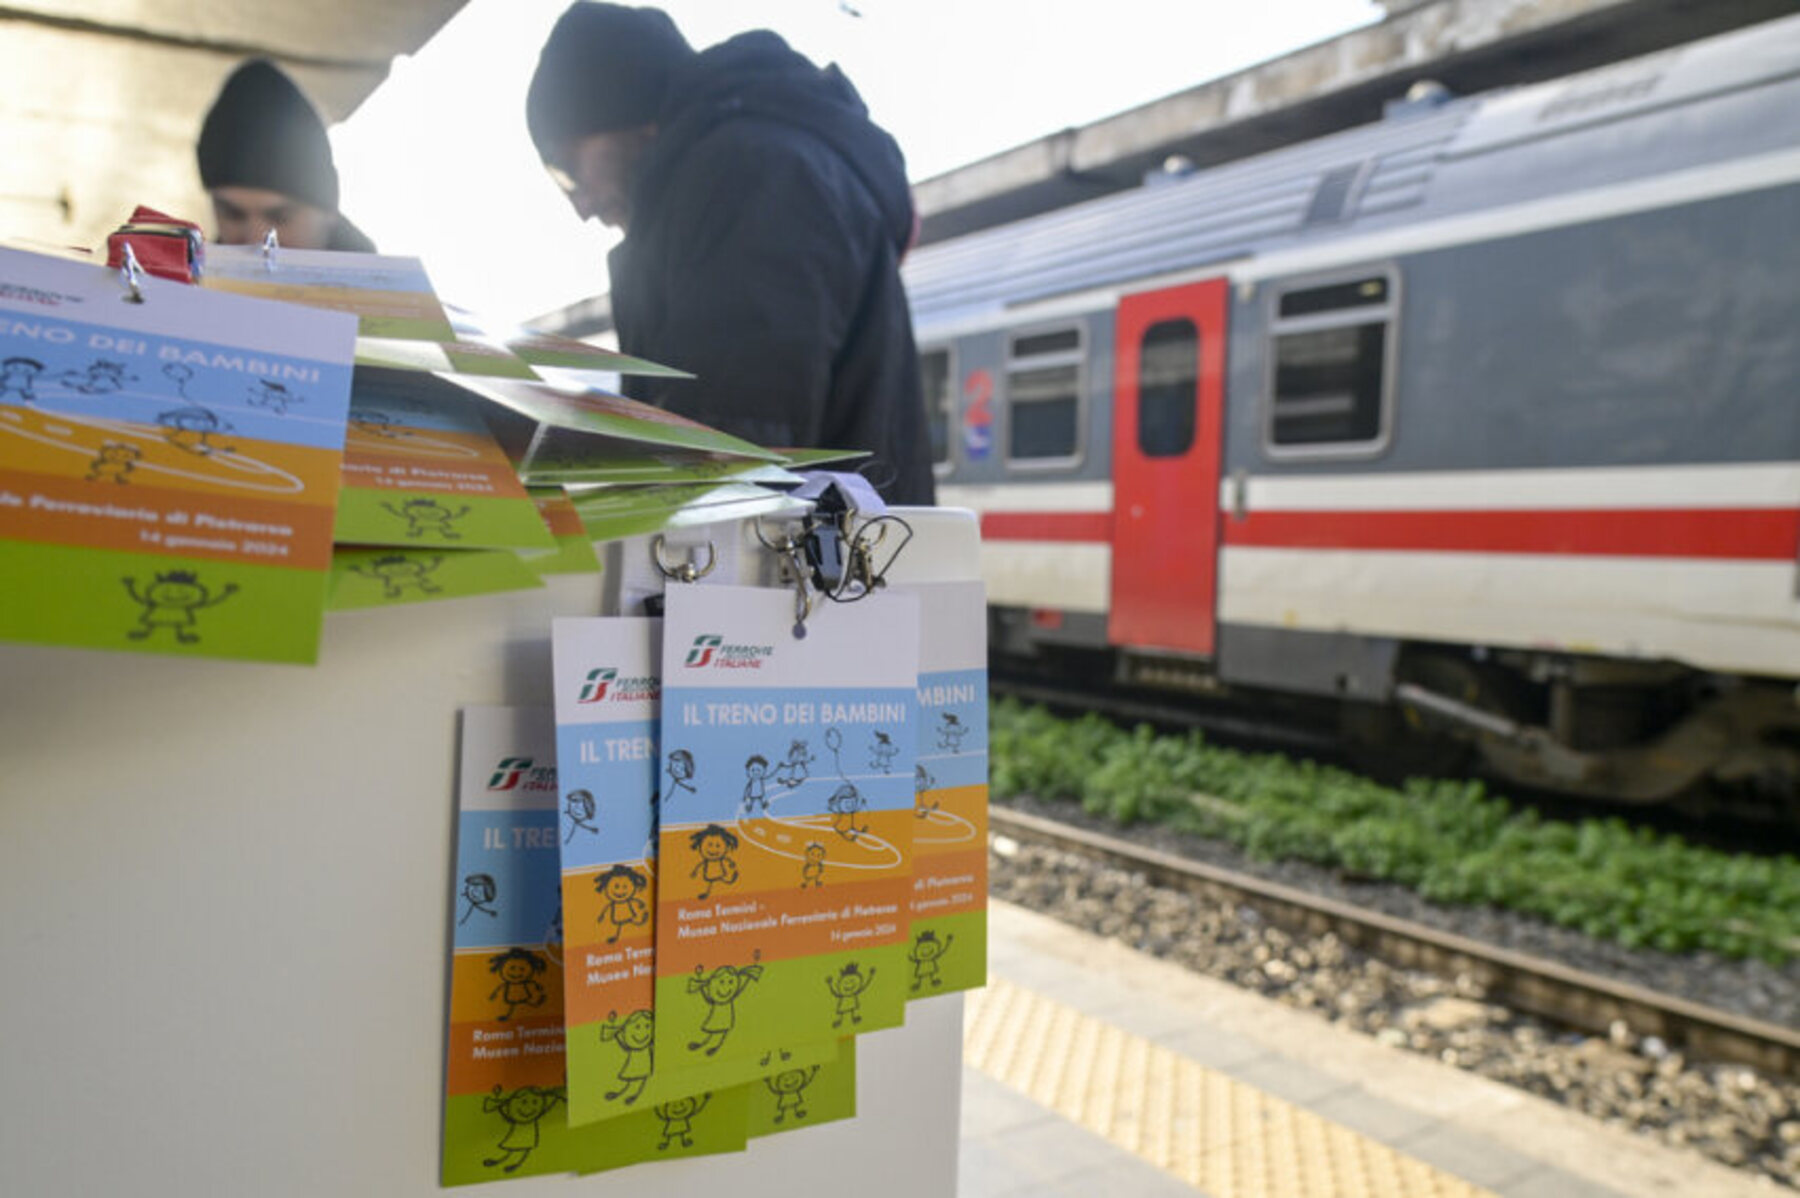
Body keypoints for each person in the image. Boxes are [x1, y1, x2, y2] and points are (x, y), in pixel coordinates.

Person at [526, 4, 935, 505]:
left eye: (568, 170)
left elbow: (729, 453)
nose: (582, 206)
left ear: (624, 109)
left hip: (799, 575)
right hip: (839, 567)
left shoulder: (753, 176)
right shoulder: (754, 168)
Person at [196, 59, 376, 252]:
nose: (256, 240)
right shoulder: (196, 277)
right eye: (233, 214)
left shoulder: (396, 281)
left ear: (329, 210)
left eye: (280, 217)